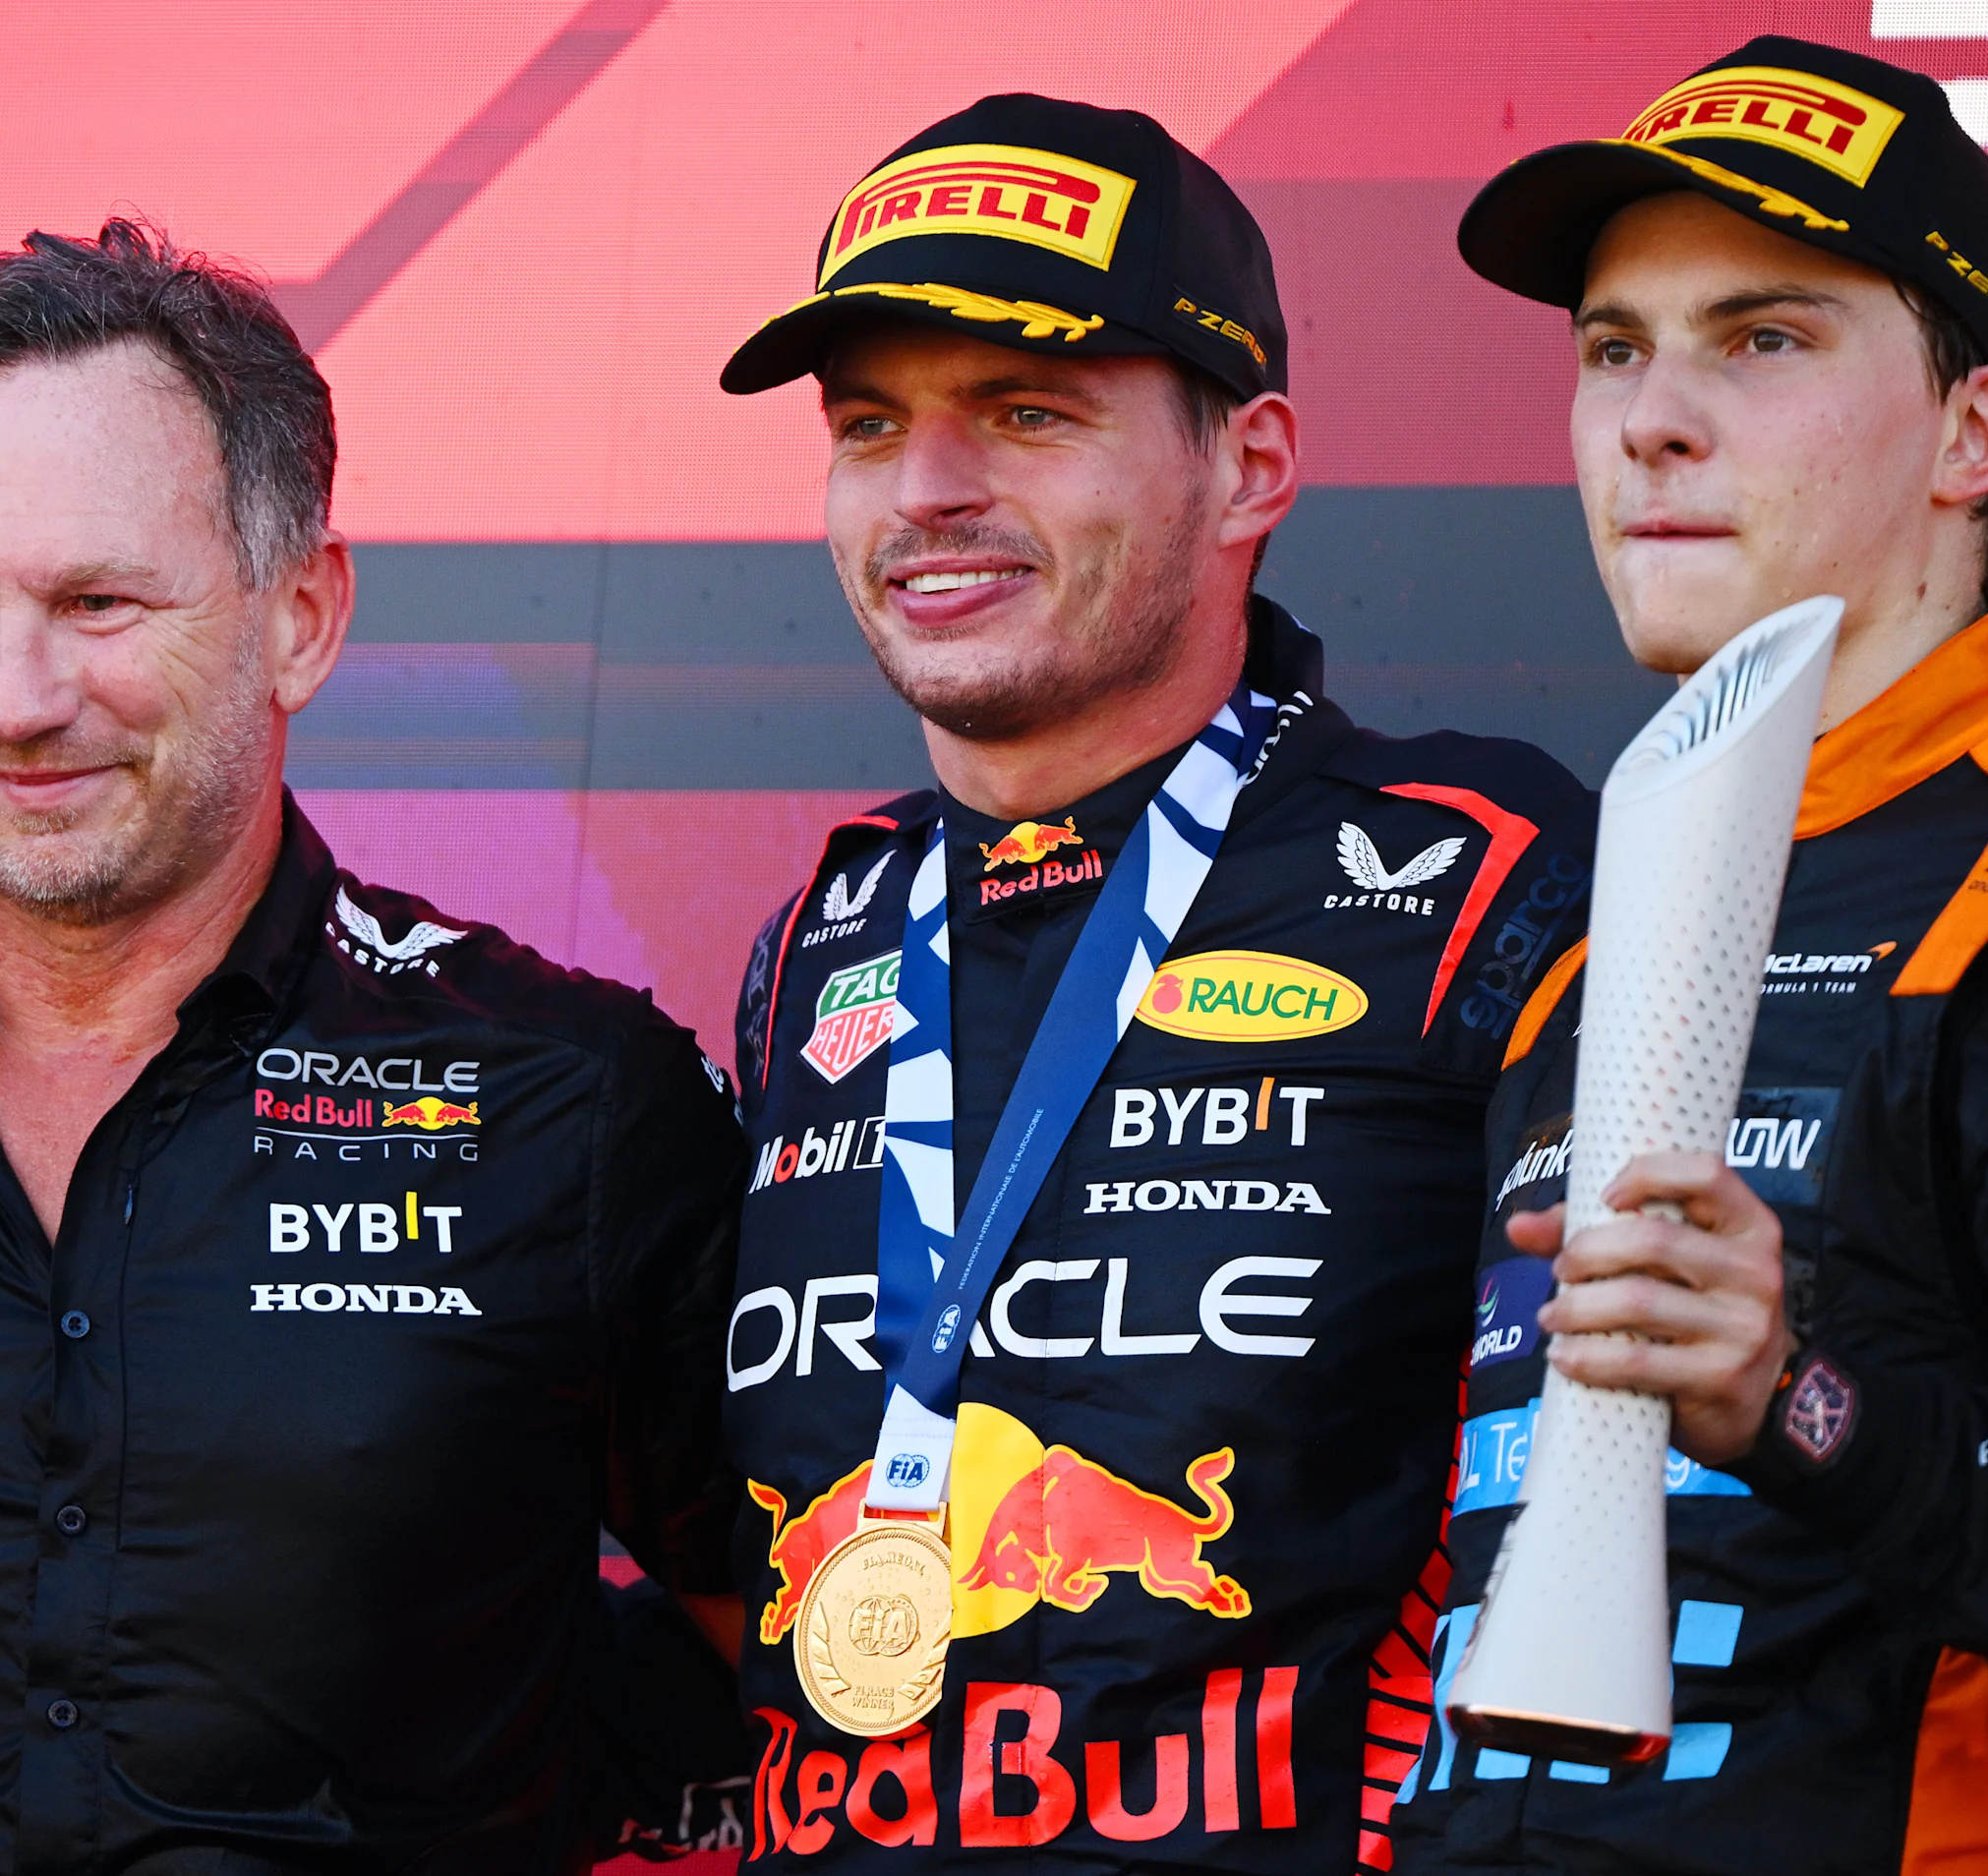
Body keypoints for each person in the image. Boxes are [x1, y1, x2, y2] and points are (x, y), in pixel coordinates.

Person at [0, 219, 744, 1873]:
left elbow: (819, 1665)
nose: (15, 698)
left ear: (301, 614)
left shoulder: (573, 1103)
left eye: (98, 602)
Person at [710, 94, 1599, 1867]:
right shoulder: (821, 932)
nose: (926, 489)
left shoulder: (1481, 875)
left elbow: (1615, 1519)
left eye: (1026, 412)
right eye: (869, 424)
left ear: (1250, 467)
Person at [1393, 36, 1988, 1875]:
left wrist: (1801, 1405)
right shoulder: (1608, 894)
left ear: (1975, 434)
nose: (1651, 420)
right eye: (1614, 349)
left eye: (1765, 340)